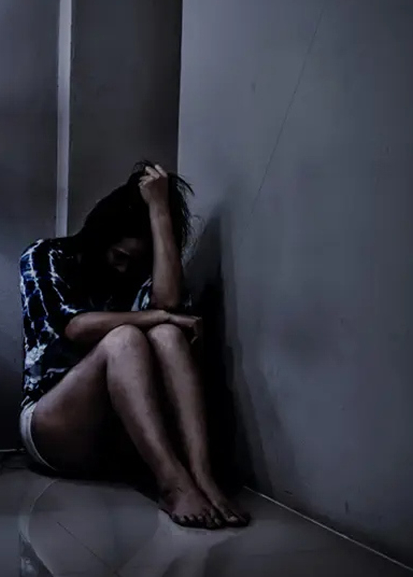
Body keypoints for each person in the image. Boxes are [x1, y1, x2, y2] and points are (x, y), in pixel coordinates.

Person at [18, 161, 249, 529]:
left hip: (123, 439)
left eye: (136, 263)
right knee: (125, 338)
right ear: (100, 240)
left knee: (168, 334)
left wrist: (160, 210)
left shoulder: (141, 276)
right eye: (119, 257)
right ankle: (172, 483)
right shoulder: (46, 257)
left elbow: (169, 304)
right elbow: (76, 328)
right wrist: (157, 316)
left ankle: (202, 475)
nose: (125, 270)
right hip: (56, 425)